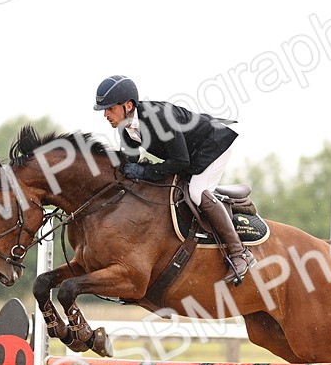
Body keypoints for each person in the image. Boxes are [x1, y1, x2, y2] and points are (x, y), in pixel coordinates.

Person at [94, 75, 255, 285]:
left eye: (109, 108)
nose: (105, 114)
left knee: (197, 192)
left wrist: (145, 172)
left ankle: (240, 253)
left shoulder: (160, 118)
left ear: (128, 105)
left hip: (214, 145)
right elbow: (129, 165)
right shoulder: (126, 130)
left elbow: (180, 161)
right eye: (104, 110)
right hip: (190, 155)